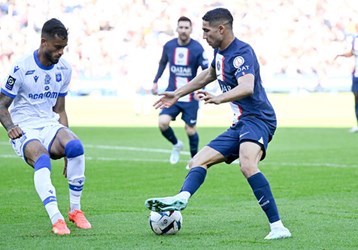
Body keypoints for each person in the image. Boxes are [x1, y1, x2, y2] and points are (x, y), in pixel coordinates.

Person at [145, 8, 291, 240]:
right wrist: (177, 93)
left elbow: (247, 87)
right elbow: (207, 75)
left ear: (221, 29)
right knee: (197, 160)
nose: (203, 36)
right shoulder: (220, 53)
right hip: (241, 122)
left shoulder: (243, 52)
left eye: (206, 30)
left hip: (259, 118)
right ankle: (181, 198)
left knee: (247, 164)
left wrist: (219, 98)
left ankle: (278, 227)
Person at [0, 18, 91, 235]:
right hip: (25, 127)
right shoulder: (21, 68)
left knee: (76, 147)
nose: (61, 53)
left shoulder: (65, 69)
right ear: (44, 42)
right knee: (42, 158)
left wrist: (68, 150)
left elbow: (60, 110)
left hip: (48, 124)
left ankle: (75, 211)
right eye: (58, 47)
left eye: (64, 48)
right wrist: (10, 126)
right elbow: (2, 104)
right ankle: (56, 217)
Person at [152, 16, 209, 166]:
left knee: (190, 130)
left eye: (186, 28)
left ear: (190, 30)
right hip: (173, 94)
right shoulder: (169, 46)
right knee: (162, 123)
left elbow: (206, 70)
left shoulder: (197, 48)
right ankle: (176, 144)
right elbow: (163, 63)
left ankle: (194, 160)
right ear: (177, 29)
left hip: (190, 97)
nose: (183, 30)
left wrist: (201, 89)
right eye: (181, 27)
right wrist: (155, 81)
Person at [335, 32, 358, 132]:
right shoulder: (355, 39)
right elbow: (352, 53)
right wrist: (340, 54)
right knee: (356, 99)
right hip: (356, 75)